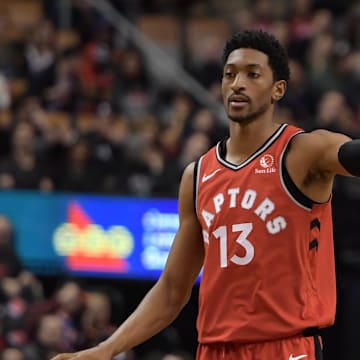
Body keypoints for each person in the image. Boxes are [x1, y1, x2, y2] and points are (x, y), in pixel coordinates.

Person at [51, 29, 360, 360]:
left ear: (277, 89)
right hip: (215, 350)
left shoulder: (302, 151)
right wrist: (107, 349)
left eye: (252, 74)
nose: (237, 83)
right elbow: (172, 290)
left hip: (285, 346)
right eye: (230, 74)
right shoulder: (197, 176)